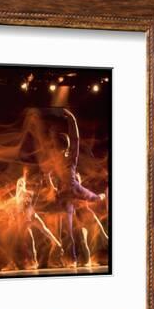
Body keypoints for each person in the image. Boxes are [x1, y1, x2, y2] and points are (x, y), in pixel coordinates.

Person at [54, 109, 106, 267]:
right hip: (68, 193)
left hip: (70, 190)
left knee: (69, 229)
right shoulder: (60, 159)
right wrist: (72, 119)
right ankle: (73, 259)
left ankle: (74, 259)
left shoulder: (68, 157)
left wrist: (72, 120)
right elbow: (74, 139)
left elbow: (75, 139)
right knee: (68, 230)